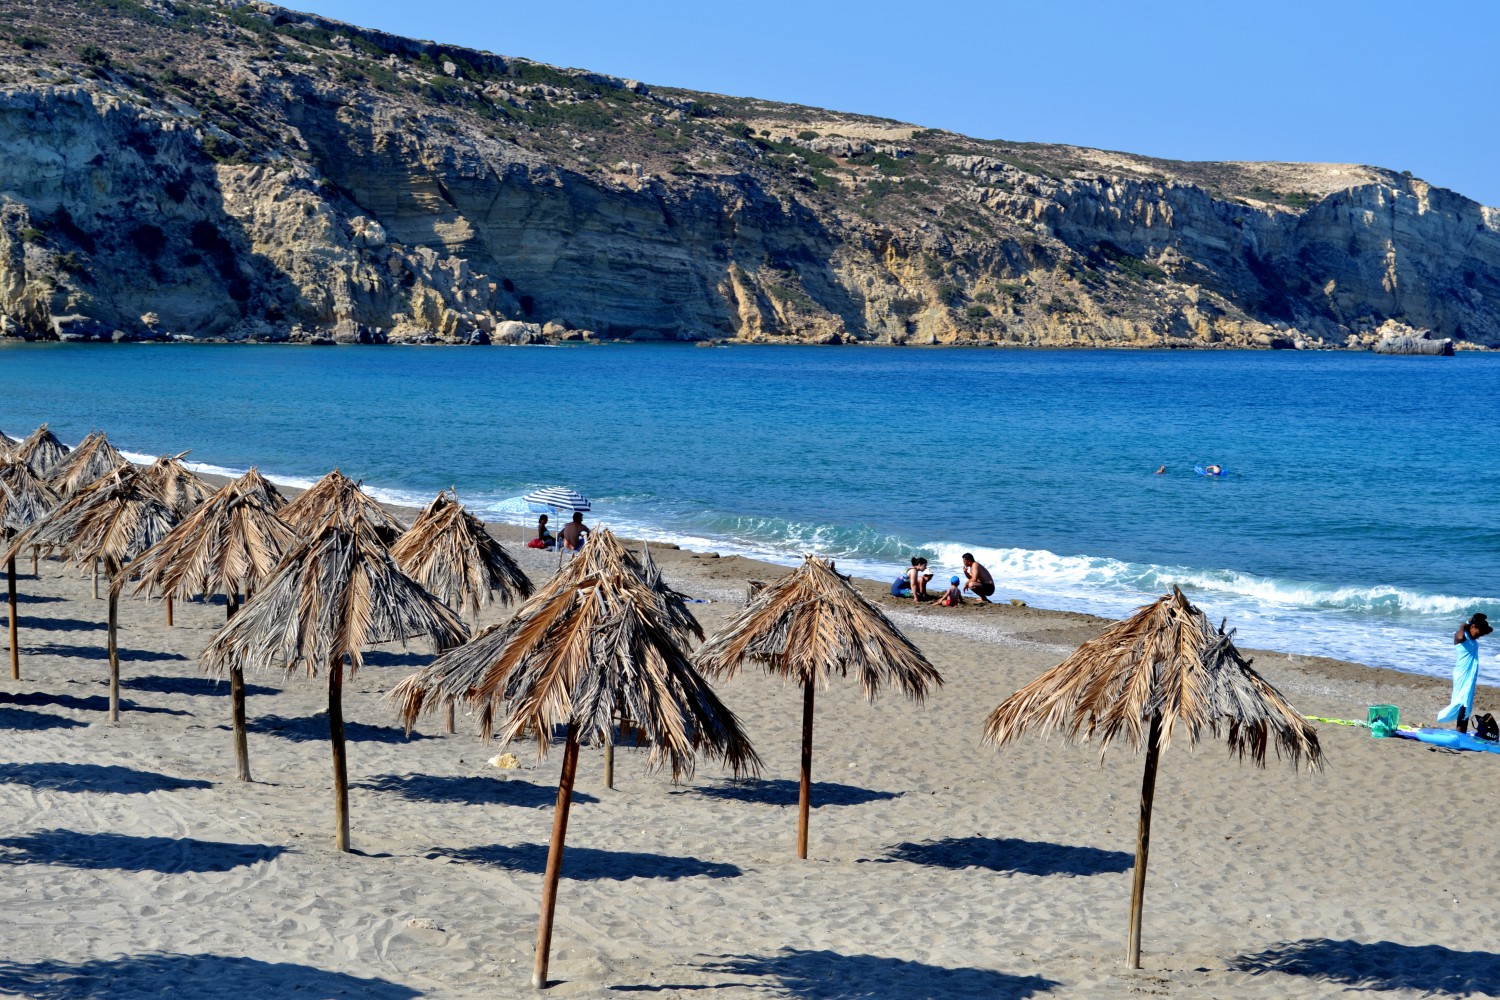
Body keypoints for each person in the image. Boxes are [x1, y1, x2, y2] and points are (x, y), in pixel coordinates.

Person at [1438, 613, 1491, 732]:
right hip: (1461, 674)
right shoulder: (1460, 635)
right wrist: (1464, 625)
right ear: (1472, 627)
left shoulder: (1472, 639)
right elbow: (1461, 637)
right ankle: (1459, 731)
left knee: (1467, 703)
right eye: (1478, 633)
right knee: (1461, 701)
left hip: (1470, 676)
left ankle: (1462, 731)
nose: (1479, 637)